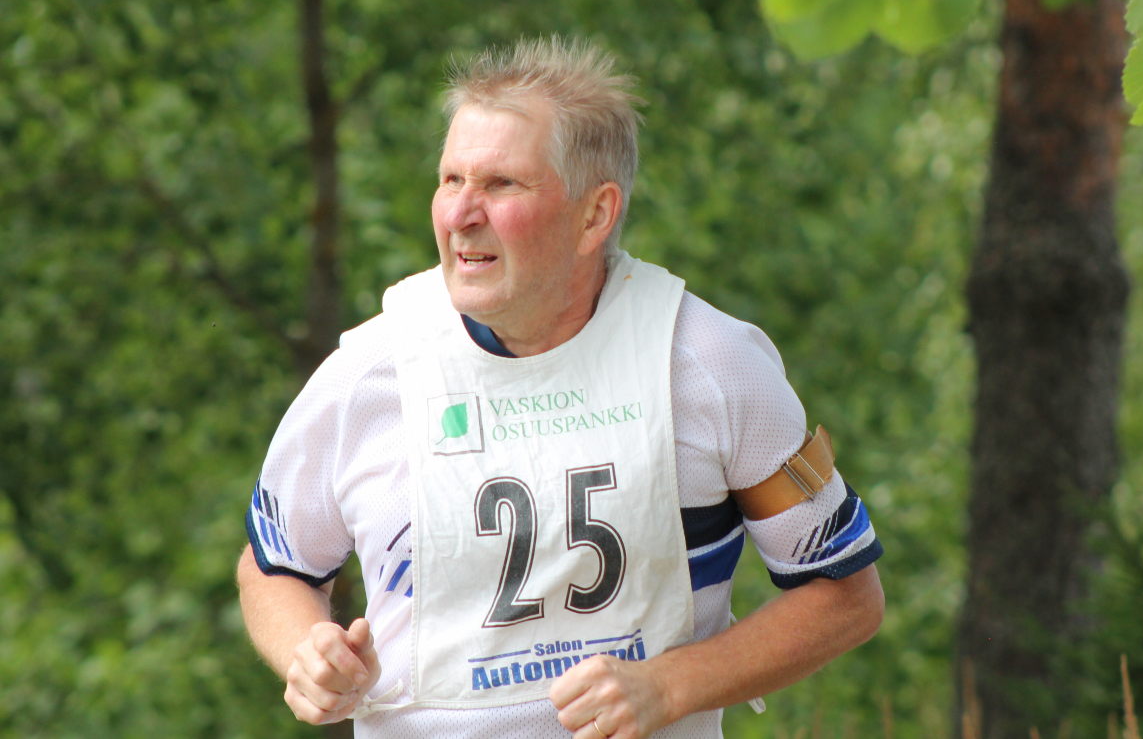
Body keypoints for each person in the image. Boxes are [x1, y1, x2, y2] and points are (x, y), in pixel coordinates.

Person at [236, 36, 884, 739]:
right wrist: (306, 653)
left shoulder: (710, 362)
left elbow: (845, 593)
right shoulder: (367, 370)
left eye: (501, 184)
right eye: (451, 180)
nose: (459, 214)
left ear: (594, 215)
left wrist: (671, 685)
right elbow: (275, 566)